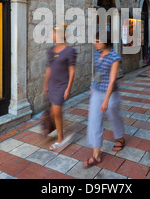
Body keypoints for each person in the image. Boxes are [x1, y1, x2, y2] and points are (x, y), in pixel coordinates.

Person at [84, 31, 125, 168]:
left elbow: (112, 80)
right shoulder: (97, 54)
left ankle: (120, 138)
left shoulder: (114, 57)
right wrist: (93, 86)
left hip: (111, 94)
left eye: (97, 40)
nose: (94, 43)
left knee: (114, 117)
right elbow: (98, 72)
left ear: (105, 42)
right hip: (97, 91)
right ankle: (96, 155)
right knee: (94, 120)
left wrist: (106, 100)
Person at [43, 24, 77, 151]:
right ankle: (65, 128)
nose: (51, 36)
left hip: (62, 85)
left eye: (53, 34)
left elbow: (72, 71)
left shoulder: (70, 51)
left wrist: (68, 88)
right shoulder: (50, 51)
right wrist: (45, 84)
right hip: (52, 84)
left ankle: (60, 138)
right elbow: (49, 68)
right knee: (54, 113)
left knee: (56, 111)